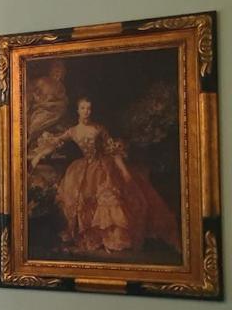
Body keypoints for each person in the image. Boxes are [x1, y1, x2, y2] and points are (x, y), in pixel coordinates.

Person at [30, 97, 178, 256]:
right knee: (78, 197)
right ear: (77, 110)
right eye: (83, 108)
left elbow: (112, 151)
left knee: (108, 198)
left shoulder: (98, 129)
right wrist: (37, 156)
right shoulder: (72, 131)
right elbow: (55, 142)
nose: (86, 111)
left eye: (89, 108)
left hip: (103, 167)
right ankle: (92, 237)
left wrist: (123, 171)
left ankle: (111, 239)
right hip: (82, 168)